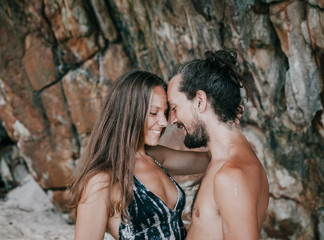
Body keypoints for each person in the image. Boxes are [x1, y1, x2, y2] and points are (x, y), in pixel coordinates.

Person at [68, 70, 210, 240]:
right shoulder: (102, 181)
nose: (164, 122)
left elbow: (211, 160)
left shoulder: (156, 157)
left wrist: (220, 119)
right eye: (153, 113)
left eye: (164, 112)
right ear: (129, 113)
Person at [167, 50, 269, 239]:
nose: (172, 120)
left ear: (200, 101)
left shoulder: (231, 175)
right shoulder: (221, 162)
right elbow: (160, 159)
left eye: (174, 108)